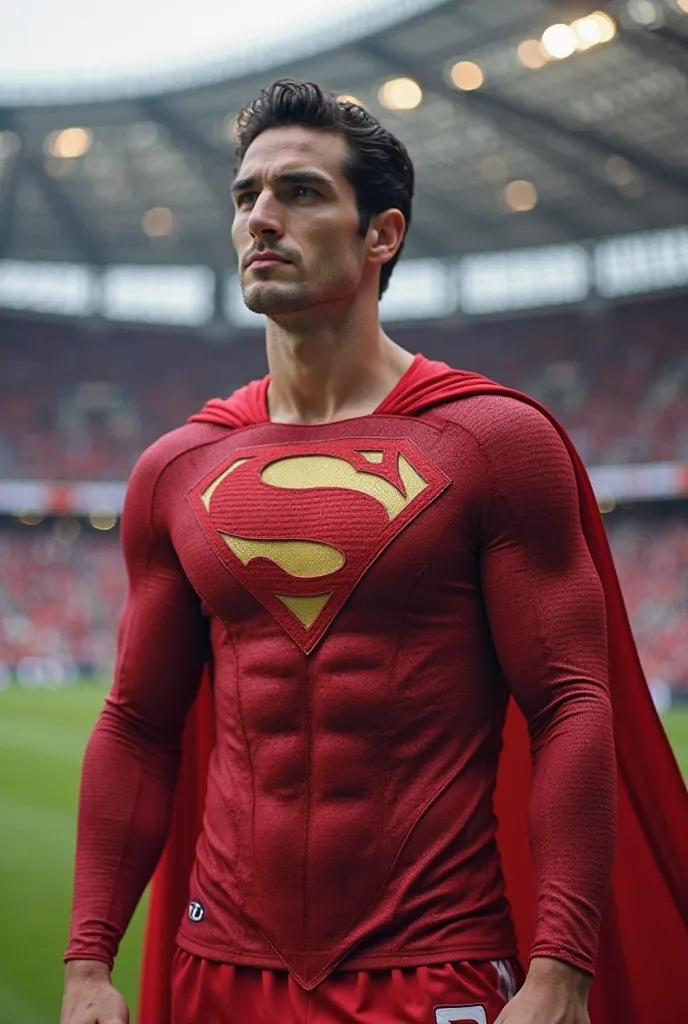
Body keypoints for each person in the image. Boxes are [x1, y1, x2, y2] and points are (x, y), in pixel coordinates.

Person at [61, 80, 687, 1024]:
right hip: (216, 968)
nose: (261, 219)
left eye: (301, 192)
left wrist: (562, 967)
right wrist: (86, 964)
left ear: (382, 235)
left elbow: (569, 703)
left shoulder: (489, 441)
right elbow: (137, 726)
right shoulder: (176, 467)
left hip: (431, 967)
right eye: (245, 197)